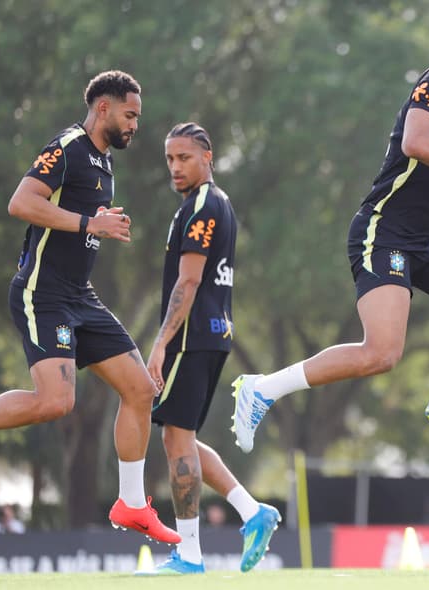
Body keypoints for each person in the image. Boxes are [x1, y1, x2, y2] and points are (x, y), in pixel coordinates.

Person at [231, 22, 429, 452]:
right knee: (381, 355)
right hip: (384, 231)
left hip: (424, 239)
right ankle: (262, 389)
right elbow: (415, 141)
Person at [0, 71, 180, 545]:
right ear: (103, 108)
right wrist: (88, 223)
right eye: (130, 114)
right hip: (43, 293)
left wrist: (98, 223)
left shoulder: (103, 160)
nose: (135, 124)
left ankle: (132, 504)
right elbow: (21, 202)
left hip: (81, 295)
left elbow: (82, 223)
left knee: (140, 390)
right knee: (56, 401)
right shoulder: (69, 146)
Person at [140, 123, 280, 575]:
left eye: (184, 157)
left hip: (192, 336)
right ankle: (252, 511)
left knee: (173, 438)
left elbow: (190, 279)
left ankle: (190, 556)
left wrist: (160, 344)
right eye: (169, 159)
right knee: (185, 438)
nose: (175, 167)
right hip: (214, 333)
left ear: (208, 157)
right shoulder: (212, 203)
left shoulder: (203, 203)